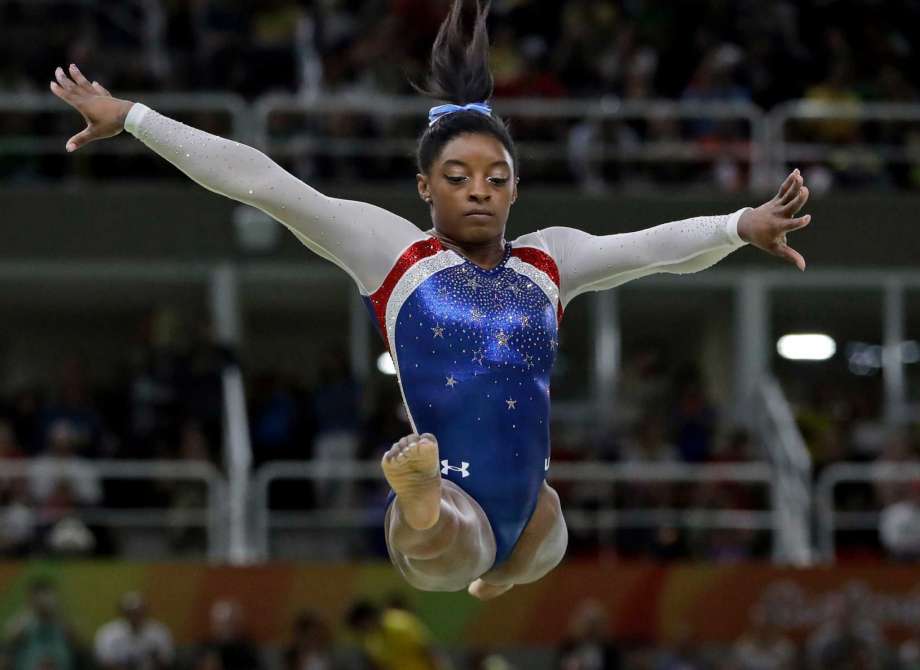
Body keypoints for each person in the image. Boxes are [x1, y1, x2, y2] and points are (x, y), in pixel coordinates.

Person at [50, 0, 812, 599]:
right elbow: (264, 182)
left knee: (546, 541)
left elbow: (653, 248)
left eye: (496, 177)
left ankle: (497, 576)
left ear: (517, 187)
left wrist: (738, 224)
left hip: (530, 511)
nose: (478, 190)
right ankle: (420, 503)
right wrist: (136, 119)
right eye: (458, 177)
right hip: (454, 506)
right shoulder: (394, 254)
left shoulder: (551, 260)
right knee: (449, 543)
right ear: (426, 187)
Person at [344, 600, 440, 670]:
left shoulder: (399, 623)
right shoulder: (371, 640)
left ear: (367, 619)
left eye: (360, 626)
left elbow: (429, 650)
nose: (361, 631)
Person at [94, 591, 174, 670]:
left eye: (138, 611)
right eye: (130, 612)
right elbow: (106, 663)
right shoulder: (108, 632)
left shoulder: (159, 631)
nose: (135, 616)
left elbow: (166, 662)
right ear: (122, 612)